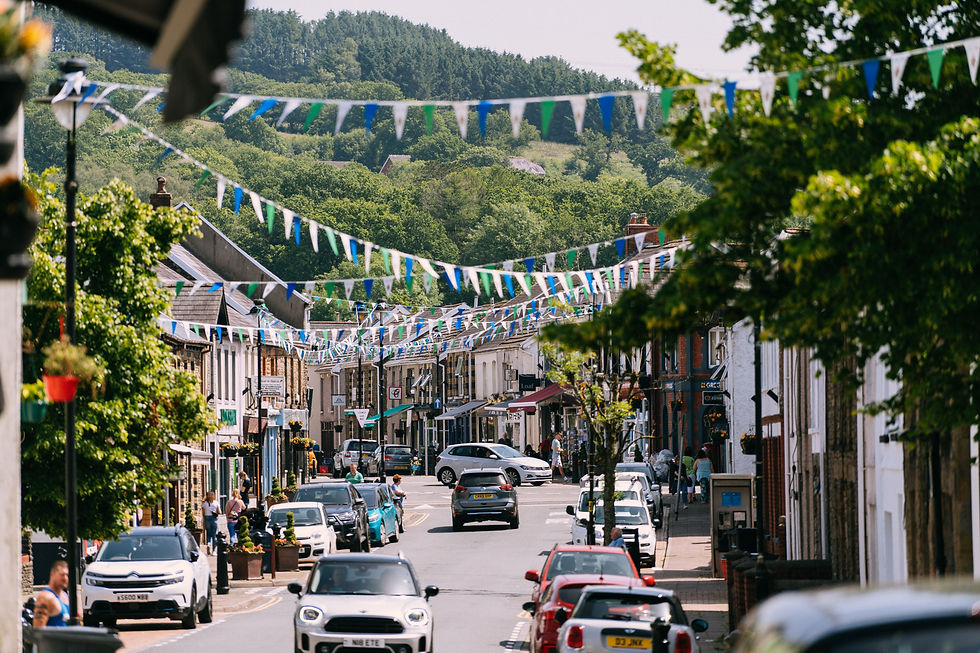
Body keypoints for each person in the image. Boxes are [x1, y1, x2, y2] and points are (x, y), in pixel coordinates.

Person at [34, 560, 71, 628]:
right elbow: (38, 630)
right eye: (62, 575)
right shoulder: (45, 598)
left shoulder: (65, 596)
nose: (65, 578)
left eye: (67, 575)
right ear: (52, 574)